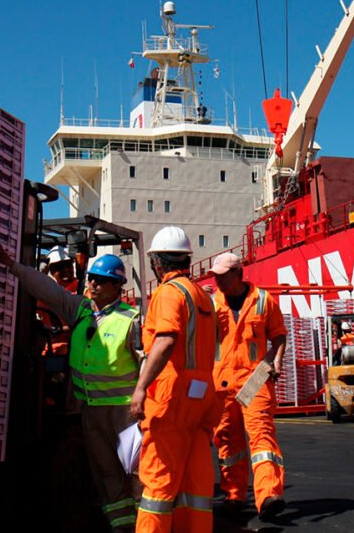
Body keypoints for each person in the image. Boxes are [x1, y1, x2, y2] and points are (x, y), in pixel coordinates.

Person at [0, 242, 140, 532]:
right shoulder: (81, 311)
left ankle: (147, 527)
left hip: (125, 414)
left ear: (117, 286)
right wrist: (12, 265)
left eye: (102, 281)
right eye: (92, 279)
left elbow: (146, 366)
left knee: (137, 476)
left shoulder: (131, 321)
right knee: (106, 475)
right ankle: (121, 527)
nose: (93, 284)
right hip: (91, 411)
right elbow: (47, 290)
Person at [130, 226, 221, 533]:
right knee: (194, 483)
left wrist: (141, 387)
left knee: (158, 483)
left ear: (157, 262)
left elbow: (166, 340)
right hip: (202, 396)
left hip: (172, 397)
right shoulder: (201, 295)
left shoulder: (169, 293)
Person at [209, 252, 287, 522]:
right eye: (215, 275)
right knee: (228, 441)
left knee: (261, 436)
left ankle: (268, 496)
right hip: (221, 382)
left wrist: (276, 360)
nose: (217, 280)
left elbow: (278, 336)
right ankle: (234, 494)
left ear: (238, 274)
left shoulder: (264, 301)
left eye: (222, 275)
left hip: (255, 378)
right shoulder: (210, 305)